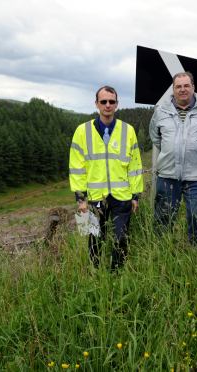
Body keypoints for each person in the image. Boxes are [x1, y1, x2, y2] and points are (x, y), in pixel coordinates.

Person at [69, 86, 143, 271]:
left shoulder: (128, 130)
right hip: (94, 198)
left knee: (120, 238)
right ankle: (94, 274)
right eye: (103, 101)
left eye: (111, 101)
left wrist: (135, 196)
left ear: (117, 104)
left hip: (122, 197)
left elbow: (135, 165)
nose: (108, 105)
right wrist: (80, 200)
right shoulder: (81, 131)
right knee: (94, 238)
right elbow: (77, 167)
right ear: (97, 104)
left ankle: (116, 276)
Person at [149, 71, 197, 246]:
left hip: (196, 176)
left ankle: (194, 254)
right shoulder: (161, 111)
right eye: (178, 86)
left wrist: (193, 151)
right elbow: (156, 137)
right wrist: (171, 149)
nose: (182, 90)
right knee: (162, 217)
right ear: (173, 89)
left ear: (193, 88)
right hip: (167, 175)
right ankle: (160, 252)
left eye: (186, 86)